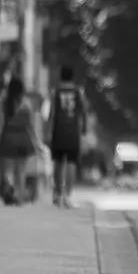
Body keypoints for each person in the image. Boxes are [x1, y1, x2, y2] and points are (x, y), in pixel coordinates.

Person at [0, 77, 42, 205]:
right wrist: (36, 143)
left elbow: (0, 126)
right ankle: (19, 197)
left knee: (5, 170)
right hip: (23, 140)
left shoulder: (1, 103)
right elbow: (30, 126)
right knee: (21, 171)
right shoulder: (26, 104)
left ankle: (8, 192)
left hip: (7, 139)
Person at [46, 67, 87, 208]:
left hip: (58, 131)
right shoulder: (78, 92)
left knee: (57, 163)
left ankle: (58, 195)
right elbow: (83, 113)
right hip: (72, 132)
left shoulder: (55, 92)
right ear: (72, 77)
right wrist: (83, 130)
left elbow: (52, 114)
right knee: (71, 163)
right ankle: (69, 195)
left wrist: (48, 132)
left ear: (61, 77)